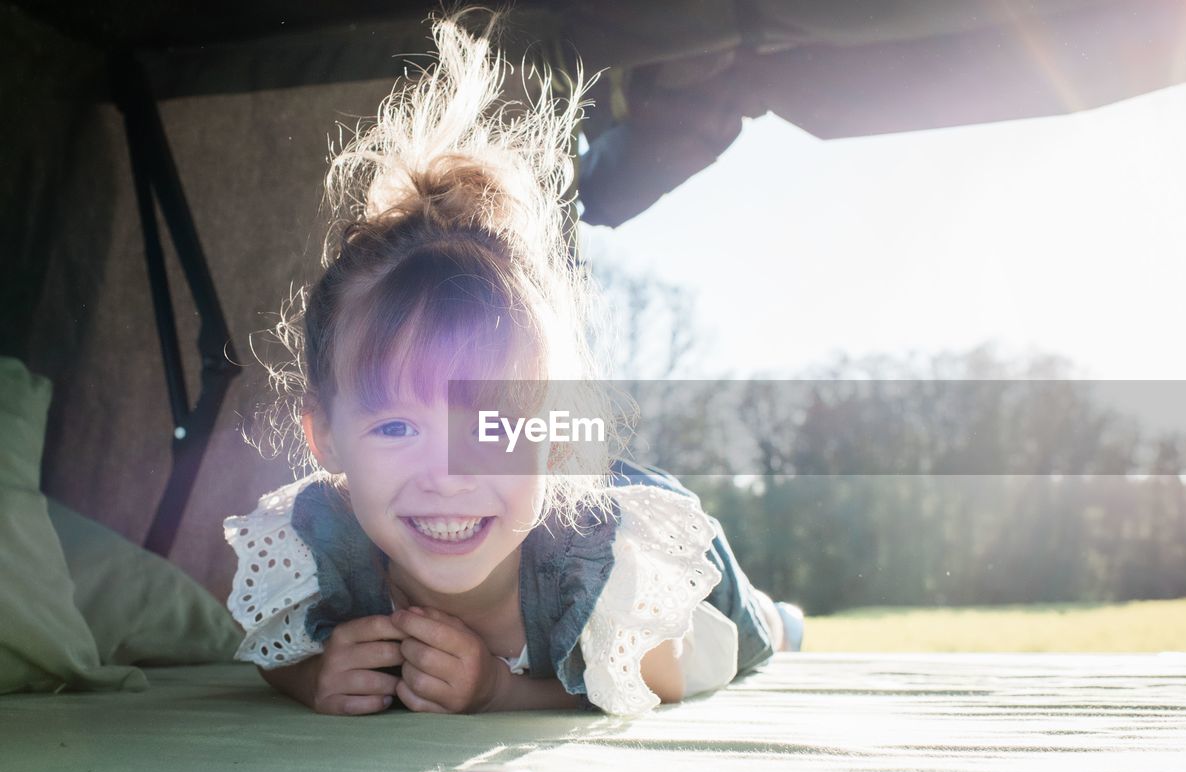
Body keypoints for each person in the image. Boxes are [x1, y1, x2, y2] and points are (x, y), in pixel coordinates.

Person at [223, 13, 801, 717]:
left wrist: (501, 691)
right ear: (327, 440)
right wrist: (316, 678)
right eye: (397, 428)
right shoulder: (318, 538)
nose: (448, 475)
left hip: (678, 597)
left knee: (751, 637)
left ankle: (781, 617)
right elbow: (276, 651)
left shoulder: (605, 560)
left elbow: (661, 679)